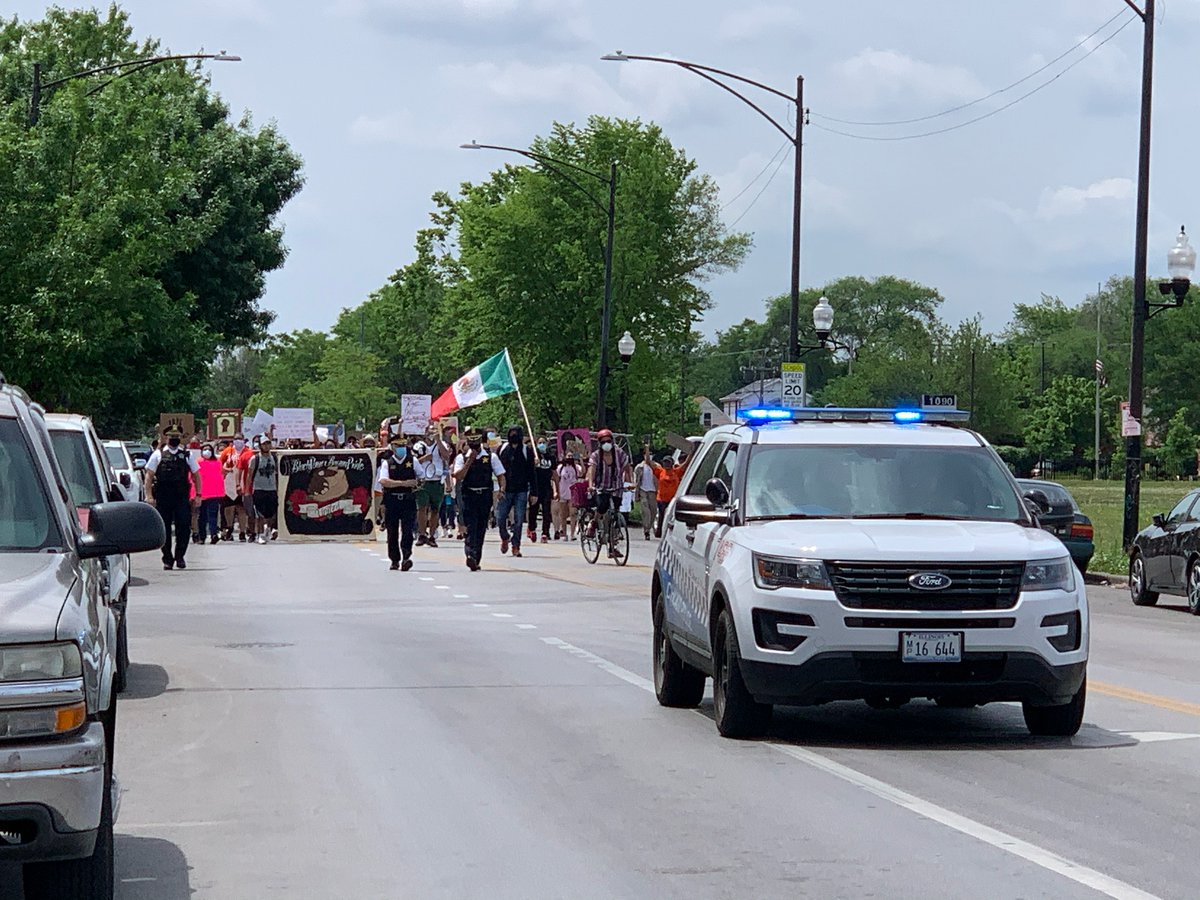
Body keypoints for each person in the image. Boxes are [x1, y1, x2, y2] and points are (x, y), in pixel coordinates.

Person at [144, 425, 202, 571]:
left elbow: (196, 475)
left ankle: (180, 556)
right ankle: (167, 559)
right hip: (163, 496)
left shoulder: (187, 455)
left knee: (184, 526)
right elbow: (149, 476)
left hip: (181, 496)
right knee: (165, 528)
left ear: (180, 438)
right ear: (166, 438)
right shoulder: (158, 455)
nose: (174, 439)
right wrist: (149, 495)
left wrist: (198, 495)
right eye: (171, 436)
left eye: (177, 436)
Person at [453, 429, 506, 571]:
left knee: (481, 527)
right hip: (468, 496)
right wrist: (469, 461)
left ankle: (476, 558)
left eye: (476, 441)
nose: (474, 444)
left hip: (484, 495)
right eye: (471, 441)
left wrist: (502, 490)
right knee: (471, 526)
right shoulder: (462, 457)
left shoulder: (490, 457)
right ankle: (470, 555)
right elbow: (458, 476)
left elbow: (501, 475)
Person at [587, 429, 633, 560]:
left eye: (609, 441)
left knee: (615, 516)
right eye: (604, 442)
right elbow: (592, 470)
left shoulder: (619, 453)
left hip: (617, 487)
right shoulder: (596, 455)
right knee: (602, 506)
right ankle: (594, 523)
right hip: (601, 487)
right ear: (600, 443)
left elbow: (627, 467)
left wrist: (630, 481)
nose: (607, 444)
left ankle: (613, 546)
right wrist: (591, 485)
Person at [377, 435, 419, 570]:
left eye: (403, 445)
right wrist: (403, 483)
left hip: (408, 499)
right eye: (398, 446)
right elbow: (384, 481)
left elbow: (422, 476)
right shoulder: (387, 463)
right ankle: (394, 559)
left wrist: (415, 484)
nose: (401, 448)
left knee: (408, 530)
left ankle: (406, 556)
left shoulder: (413, 461)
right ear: (393, 447)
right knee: (392, 532)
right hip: (392, 500)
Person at [496, 426, 536, 557]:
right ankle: (505, 537)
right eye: (511, 433)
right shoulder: (502, 449)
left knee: (519, 520)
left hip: (521, 490)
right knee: (500, 518)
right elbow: (496, 470)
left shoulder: (526, 450)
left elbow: (532, 472)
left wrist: (534, 492)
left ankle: (516, 545)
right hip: (505, 490)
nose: (513, 436)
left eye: (516, 433)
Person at [414, 437, 446, 548]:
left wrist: (438, 440)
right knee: (422, 507)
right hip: (423, 480)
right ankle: (422, 534)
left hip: (437, 480)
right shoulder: (418, 445)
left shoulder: (441, 444)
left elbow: (446, 457)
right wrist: (425, 458)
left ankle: (432, 536)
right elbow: (413, 461)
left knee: (435, 509)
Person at [248, 435, 279, 544]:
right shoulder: (255, 459)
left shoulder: (275, 458)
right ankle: (260, 534)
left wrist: (278, 488)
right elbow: (250, 474)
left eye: (268, 443)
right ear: (260, 445)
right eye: (264, 444)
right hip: (259, 489)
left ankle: (268, 529)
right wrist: (248, 490)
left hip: (272, 489)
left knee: (271, 514)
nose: (266, 446)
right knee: (260, 514)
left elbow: (276, 474)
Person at [220, 433, 251, 541]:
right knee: (228, 507)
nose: (238, 441)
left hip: (243, 481)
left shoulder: (248, 452)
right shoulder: (227, 451)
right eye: (236, 439)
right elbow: (220, 464)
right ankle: (229, 528)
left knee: (241, 508)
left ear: (244, 440)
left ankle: (242, 532)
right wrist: (225, 470)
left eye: (240, 439)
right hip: (229, 483)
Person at [651, 453, 687, 538]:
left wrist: (691, 452)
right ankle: (660, 532)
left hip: (672, 499)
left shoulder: (676, 472)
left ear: (672, 463)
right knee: (662, 515)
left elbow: (686, 463)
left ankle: (670, 532)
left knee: (672, 516)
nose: (666, 464)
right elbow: (649, 463)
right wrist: (647, 449)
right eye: (665, 462)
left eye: (668, 462)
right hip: (661, 499)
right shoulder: (660, 471)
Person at [196, 443, 225, 545]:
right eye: (204, 449)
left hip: (214, 493)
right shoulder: (198, 462)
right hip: (202, 494)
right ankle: (202, 537)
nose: (207, 451)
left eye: (209, 449)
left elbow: (221, 475)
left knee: (212, 515)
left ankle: (213, 535)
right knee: (202, 516)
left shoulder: (217, 462)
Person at [528, 437, 555, 544]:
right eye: (540, 443)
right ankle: (532, 528)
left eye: (544, 442)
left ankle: (545, 533)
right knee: (533, 511)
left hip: (547, 487)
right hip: (536, 487)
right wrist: (533, 463)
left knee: (546, 511)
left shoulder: (551, 457)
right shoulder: (533, 455)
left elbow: (554, 473)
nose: (542, 444)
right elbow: (528, 470)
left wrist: (556, 489)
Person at [553, 454, 583, 540]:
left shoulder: (576, 467)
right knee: (563, 515)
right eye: (568, 456)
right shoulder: (560, 468)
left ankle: (572, 534)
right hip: (563, 493)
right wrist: (556, 491)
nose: (569, 458)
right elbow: (556, 479)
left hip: (573, 493)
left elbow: (583, 472)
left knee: (573, 513)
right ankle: (564, 533)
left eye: (571, 456)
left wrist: (580, 459)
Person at [632, 445, 659, 540]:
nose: (649, 456)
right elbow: (636, 481)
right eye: (647, 454)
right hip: (643, 490)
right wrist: (636, 493)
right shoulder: (639, 467)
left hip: (653, 491)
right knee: (645, 511)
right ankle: (646, 530)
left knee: (653, 511)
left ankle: (649, 527)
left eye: (651, 454)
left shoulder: (656, 466)